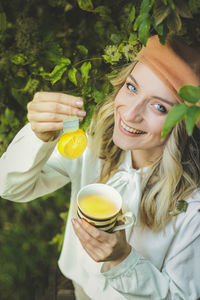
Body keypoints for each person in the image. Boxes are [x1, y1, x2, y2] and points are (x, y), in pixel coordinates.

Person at [0, 35, 200, 300]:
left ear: (183, 125)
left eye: (159, 107)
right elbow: (10, 187)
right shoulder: (91, 146)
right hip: (79, 290)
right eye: (131, 88)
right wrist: (39, 135)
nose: (129, 114)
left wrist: (122, 260)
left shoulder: (192, 208)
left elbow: (181, 295)